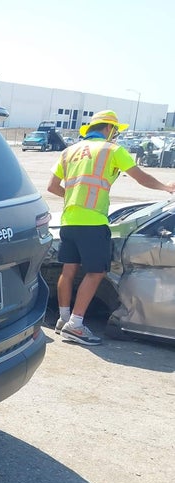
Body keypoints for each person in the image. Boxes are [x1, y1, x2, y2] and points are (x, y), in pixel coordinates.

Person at [47, 109, 175, 346]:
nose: (115, 134)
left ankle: (63, 319)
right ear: (108, 128)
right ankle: (75, 325)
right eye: (114, 130)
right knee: (96, 272)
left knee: (68, 270)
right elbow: (140, 177)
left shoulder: (69, 151)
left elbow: (52, 186)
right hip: (93, 222)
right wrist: (166, 188)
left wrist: (76, 199)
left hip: (69, 220)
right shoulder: (112, 150)